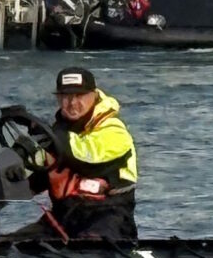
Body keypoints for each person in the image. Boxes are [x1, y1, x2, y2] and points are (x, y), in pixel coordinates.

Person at [30, 67, 138, 242]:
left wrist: (47, 136)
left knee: (90, 245)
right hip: (62, 217)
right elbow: (37, 179)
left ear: (94, 95)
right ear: (58, 99)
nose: (72, 103)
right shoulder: (58, 134)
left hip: (108, 215)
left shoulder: (115, 130)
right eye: (66, 97)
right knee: (11, 243)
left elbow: (83, 159)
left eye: (79, 96)